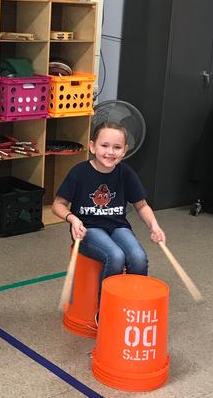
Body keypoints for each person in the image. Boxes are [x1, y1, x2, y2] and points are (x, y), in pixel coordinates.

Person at [52, 121, 165, 304]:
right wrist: (72, 219)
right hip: (88, 229)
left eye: (117, 147)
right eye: (104, 145)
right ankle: (106, 310)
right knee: (115, 256)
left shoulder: (125, 173)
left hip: (117, 226)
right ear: (92, 147)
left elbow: (142, 205)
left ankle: (132, 305)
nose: (110, 152)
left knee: (138, 258)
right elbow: (58, 204)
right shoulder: (79, 172)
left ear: (125, 150)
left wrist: (154, 227)